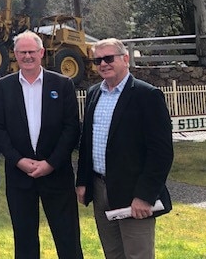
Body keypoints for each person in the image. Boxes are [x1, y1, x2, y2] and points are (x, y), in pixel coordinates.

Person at [76, 38, 174, 258]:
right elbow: (87, 142)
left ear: (125, 59)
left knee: (137, 254)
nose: (103, 64)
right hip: (100, 188)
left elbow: (161, 152)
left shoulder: (147, 95)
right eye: (98, 60)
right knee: (112, 253)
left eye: (109, 58)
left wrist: (145, 196)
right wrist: (82, 181)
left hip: (133, 193)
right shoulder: (94, 93)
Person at [0, 30, 83, 259]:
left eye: (32, 51)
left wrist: (51, 163)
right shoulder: (4, 86)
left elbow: (71, 128)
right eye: (22, 52)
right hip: (20, 176)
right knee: (24, 241)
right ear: (15, 54)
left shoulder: (62, 84)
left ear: (41, 52)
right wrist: (18, 161)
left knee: (67, 238)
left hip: (57, 174)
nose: (27, 56)